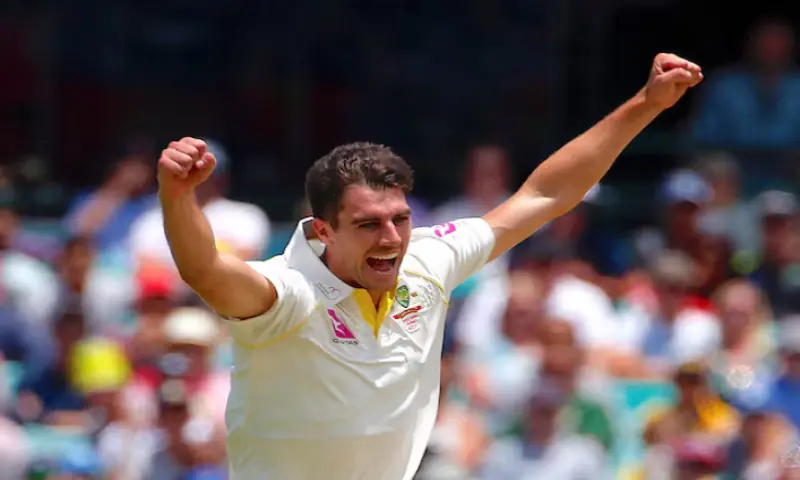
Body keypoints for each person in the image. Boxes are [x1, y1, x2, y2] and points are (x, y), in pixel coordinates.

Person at [156, 53, 702, 479]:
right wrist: (177, 197)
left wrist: (646, 104)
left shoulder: (427, 260)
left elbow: (546, 194)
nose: (392, 239)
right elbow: (205, 269)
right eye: (369, 225)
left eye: (400, 218)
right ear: (323, 230)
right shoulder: (287, 292)